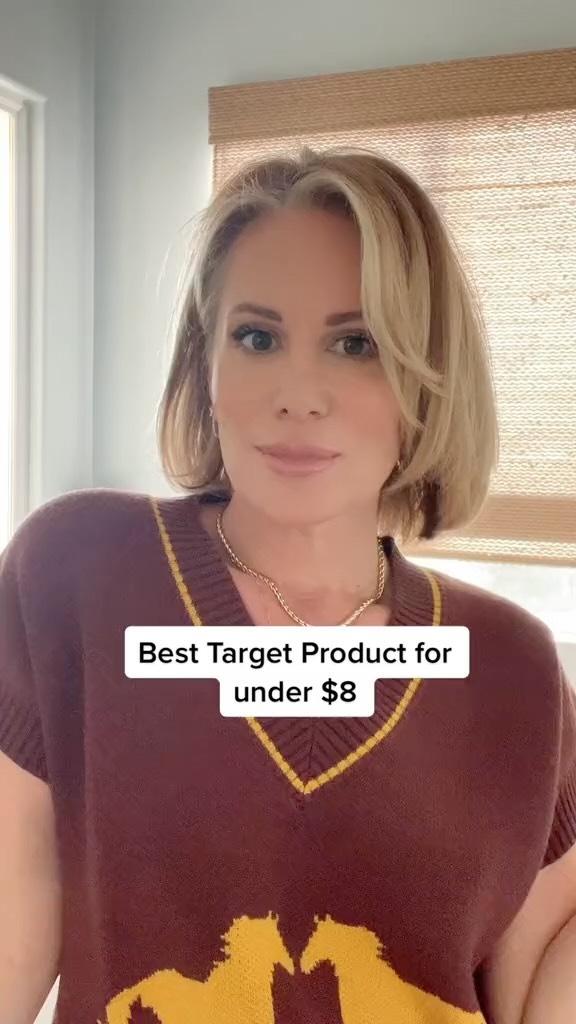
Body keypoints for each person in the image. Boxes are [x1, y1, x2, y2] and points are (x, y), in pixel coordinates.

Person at [1, 147, 575, 1024]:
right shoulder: (75, 575)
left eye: (356, 343)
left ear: (427, 378)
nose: (298, 395)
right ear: (205, 365)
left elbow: (540, 994)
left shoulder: (512, 669)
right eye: (257, 338)